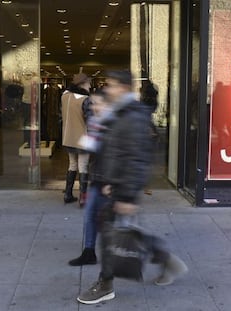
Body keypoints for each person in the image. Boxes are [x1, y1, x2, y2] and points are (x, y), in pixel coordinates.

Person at [77, 70, 188, 305]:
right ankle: (166, 260)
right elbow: (112, 151)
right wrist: (106, 181)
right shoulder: (118, 113)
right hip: (114, 186)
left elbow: (138, 158)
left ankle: (105, 284)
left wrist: (126, 195)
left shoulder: (133, 116)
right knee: (124, 234)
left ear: (125, 88)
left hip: (124, 190)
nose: (109, 90)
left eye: (113, 85)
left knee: (112, 236)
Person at [68, 88, 114, 266]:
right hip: (98, 178)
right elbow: (94, 148)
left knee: (115, 224)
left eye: (98, 103)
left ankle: (158, 254)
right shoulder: (96, 122)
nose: (94, 107)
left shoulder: (114, 123)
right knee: (90, 215)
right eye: (92, 103)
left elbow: (117, 155)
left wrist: (112, 182)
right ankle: (89, 251)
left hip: (109, 180)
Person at [61, 73, 93, 207]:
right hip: (83, 139)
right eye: (88, 83)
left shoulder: (64, 96)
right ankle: (83, 198)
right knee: (83, 167)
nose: (90, 86)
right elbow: (90, 120)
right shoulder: (85, 100)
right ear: (82, 84)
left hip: (68, 137)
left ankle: (68, 194)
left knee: (72, 164)